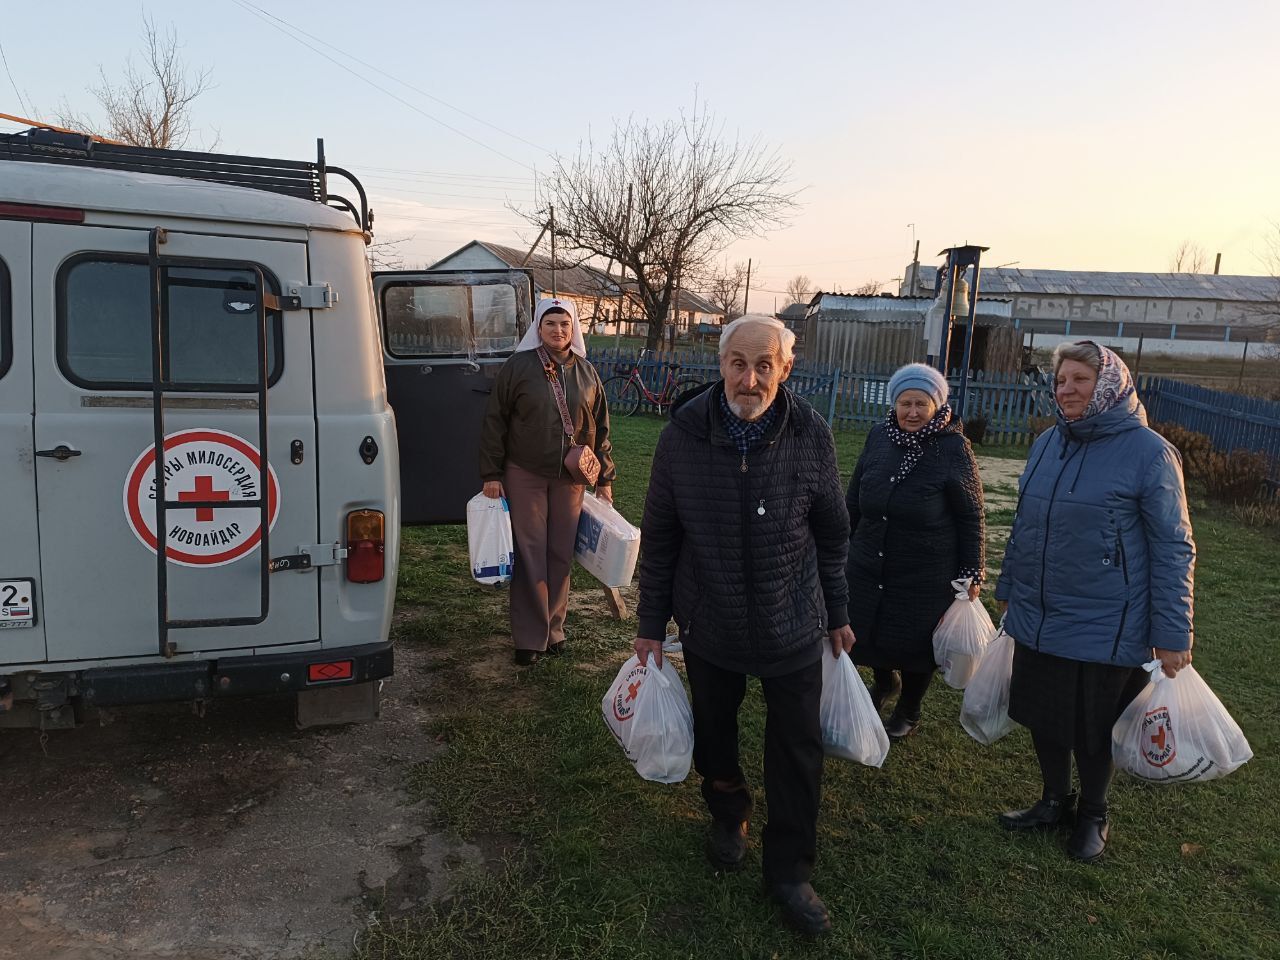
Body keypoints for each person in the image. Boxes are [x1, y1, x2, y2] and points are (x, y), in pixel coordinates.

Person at [634, 314, 854, 938]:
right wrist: (652, 623)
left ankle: (789, 871)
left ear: (785, 370)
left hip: (792, 621)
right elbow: (663, 537)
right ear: (720, 365)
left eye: (765, 365)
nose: (750, 378)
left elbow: (833, 536)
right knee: (715, 736)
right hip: (712, 619)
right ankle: (728, 811)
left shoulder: (810, 434)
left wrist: (836, 612)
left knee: (797, 752)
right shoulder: (683, 436)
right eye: (739, 363)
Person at [995, 341, 1195, 862]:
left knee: (1091, 725)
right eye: (1061, 381)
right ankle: (1053, 800)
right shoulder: (1047, 445)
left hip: (1106, 618)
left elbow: (1174, 547)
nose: (1067, 391)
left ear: (1108, 383)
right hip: (1040, 611)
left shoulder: (1150, 452)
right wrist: (1011, 593)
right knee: (1041, 713)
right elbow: (1025, 527)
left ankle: (1093, 814)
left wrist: (1173, 634)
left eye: (1080, 380)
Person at [845, 363, 986, 740]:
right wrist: (840, 539)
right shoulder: (879, 437)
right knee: (870, 631)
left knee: (915, 641)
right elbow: (856, 495)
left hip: (926, 567)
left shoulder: (953, 447)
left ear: (936, 406)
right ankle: (883, 683)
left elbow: (971, 513)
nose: (911, 412)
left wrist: (973, 570)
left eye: (920, 404)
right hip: (870, 559)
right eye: (905, 403)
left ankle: (910, 707)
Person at [479, 297, 615, 665]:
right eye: (551, 323)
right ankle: (529, 637)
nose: (558, 330)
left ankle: (555, 628)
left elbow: (600, 428)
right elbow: (496, 421)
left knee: (560, 553)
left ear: (574, 330)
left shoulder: (587, 372)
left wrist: (604, 477)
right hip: (525, 473)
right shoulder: (519, 367)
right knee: (530, 552)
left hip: (569, 479)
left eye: (565, 324)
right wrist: (492, 473)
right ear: (538, 327)